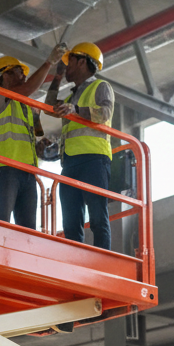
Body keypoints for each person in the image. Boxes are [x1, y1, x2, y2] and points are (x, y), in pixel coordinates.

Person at [0, 45, 66, 229]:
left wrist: (41, 146)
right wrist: (48, 63)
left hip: (27, 172)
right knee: (1, 223)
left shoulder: (26, 107)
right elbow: (27, 88)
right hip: (5, 168)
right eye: (19, 72)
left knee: (28, 231)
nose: (24, 76)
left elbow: (35, 136)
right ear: (4, 76)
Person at [52, 41, 115, 251]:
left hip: (93, 160)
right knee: (71, 224)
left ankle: (102, 262)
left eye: (69, 61)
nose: (67, 65)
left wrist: (75, 110)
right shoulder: (71, 97)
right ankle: (75, 264)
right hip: (70, 163)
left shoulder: (101, 87)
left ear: (81, 61)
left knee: (98, 217)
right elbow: (48, 106)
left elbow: (104, 113)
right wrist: (57, 76)